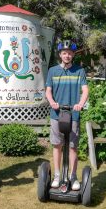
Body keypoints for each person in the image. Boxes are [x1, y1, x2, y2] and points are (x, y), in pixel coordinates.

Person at [45, 40, 89, 190]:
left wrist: (80, 104)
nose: (67, 55)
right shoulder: (52, 71)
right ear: (60, 55)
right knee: (57, 145)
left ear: (73, 54)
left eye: (70, 53)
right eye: (64, 53)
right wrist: (51, 102)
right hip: (56, 114)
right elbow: (48, 91)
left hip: (73, 114)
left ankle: (73, 176)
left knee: (72, 147)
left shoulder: (79, 71)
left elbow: (85, 91)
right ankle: (57, 175)